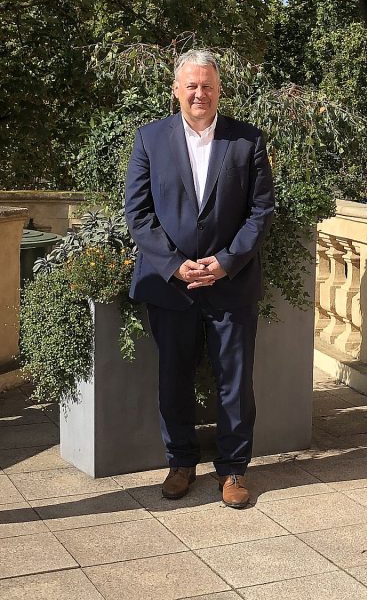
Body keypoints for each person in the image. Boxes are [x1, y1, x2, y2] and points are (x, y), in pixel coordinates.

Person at [124, 49, 275, 508]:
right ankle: (181, 462)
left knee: (235, 379)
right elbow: (138, 212)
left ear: (219, 90)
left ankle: (233, 471)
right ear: (176, 90)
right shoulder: (150, 139)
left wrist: (226, 261)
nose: (199, 93)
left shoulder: (247, 141)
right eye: (191, 85)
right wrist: (173, 265)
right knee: (174, 377)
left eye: (207, 85)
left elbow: (260, 211)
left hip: (231, 283)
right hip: (170, 286)